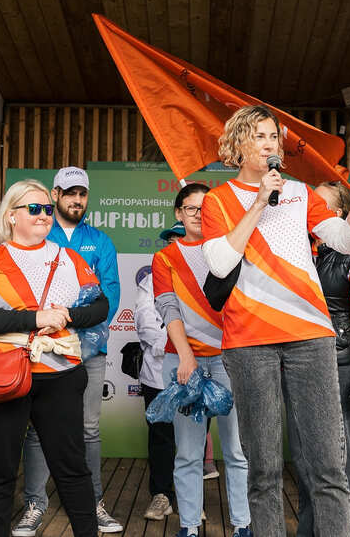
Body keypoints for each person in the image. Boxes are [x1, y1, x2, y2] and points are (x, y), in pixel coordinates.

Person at [199, 105, 350, 537]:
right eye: (258, 136)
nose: (270, 144)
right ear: (236, 146)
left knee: (329, 464)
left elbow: (346, 241)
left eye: (274, 136)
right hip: (249, 341)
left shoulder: (300, 193)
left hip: (311, 337)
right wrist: (256, 205)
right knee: (265, 469)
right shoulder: (217, 200)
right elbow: (218, 264)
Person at [0, 179, 110, 537]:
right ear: (11, 216)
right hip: (4, 377)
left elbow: (101, 306)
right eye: (35, 208)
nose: (44, 215)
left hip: (60, 376)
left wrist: (68, 315)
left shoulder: (70, 258)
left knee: (72, 469)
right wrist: (36, 318)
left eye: (47, 208)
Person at [16, 166, 123, 535]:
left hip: (90, 350)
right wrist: (52, 326)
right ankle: (34, 503)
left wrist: (71, 325)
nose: (77, 200)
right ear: (55, 194)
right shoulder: (40, 232)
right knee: (37, 429)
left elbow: (108, 296)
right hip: (42, 347)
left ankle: (93, 503)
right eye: (69, 193)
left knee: (89, 429)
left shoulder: (101, 241)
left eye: (83, 194)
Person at [154, 183, 252, 537]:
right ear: (178, 213)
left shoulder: (231, 251)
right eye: (190, 208)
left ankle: (243, 524)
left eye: (203, 208)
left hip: (229, 361)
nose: (197, 214)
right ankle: (190, 526)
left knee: (237, 451)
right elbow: (168, 308)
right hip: (185, 363)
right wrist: (186, 357)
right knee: (189, 454)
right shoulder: (166, 256)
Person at [290, 180, 350, 537]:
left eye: (320, 205)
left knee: (340, 465)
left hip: (342, 368)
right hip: (301, 364)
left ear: (338, 214)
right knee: (304, 463)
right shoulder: (300, 253)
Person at [135, 221, 183, 521]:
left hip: (197, 369)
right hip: (158, 371)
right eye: (171, 239)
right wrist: (178, 344)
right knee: (161, 436)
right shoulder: (151, 279)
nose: (176, 244)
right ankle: (161, 495)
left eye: (182, 238)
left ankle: (192, 500)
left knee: (191, 437)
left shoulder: (206, 274)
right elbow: (145, 321)